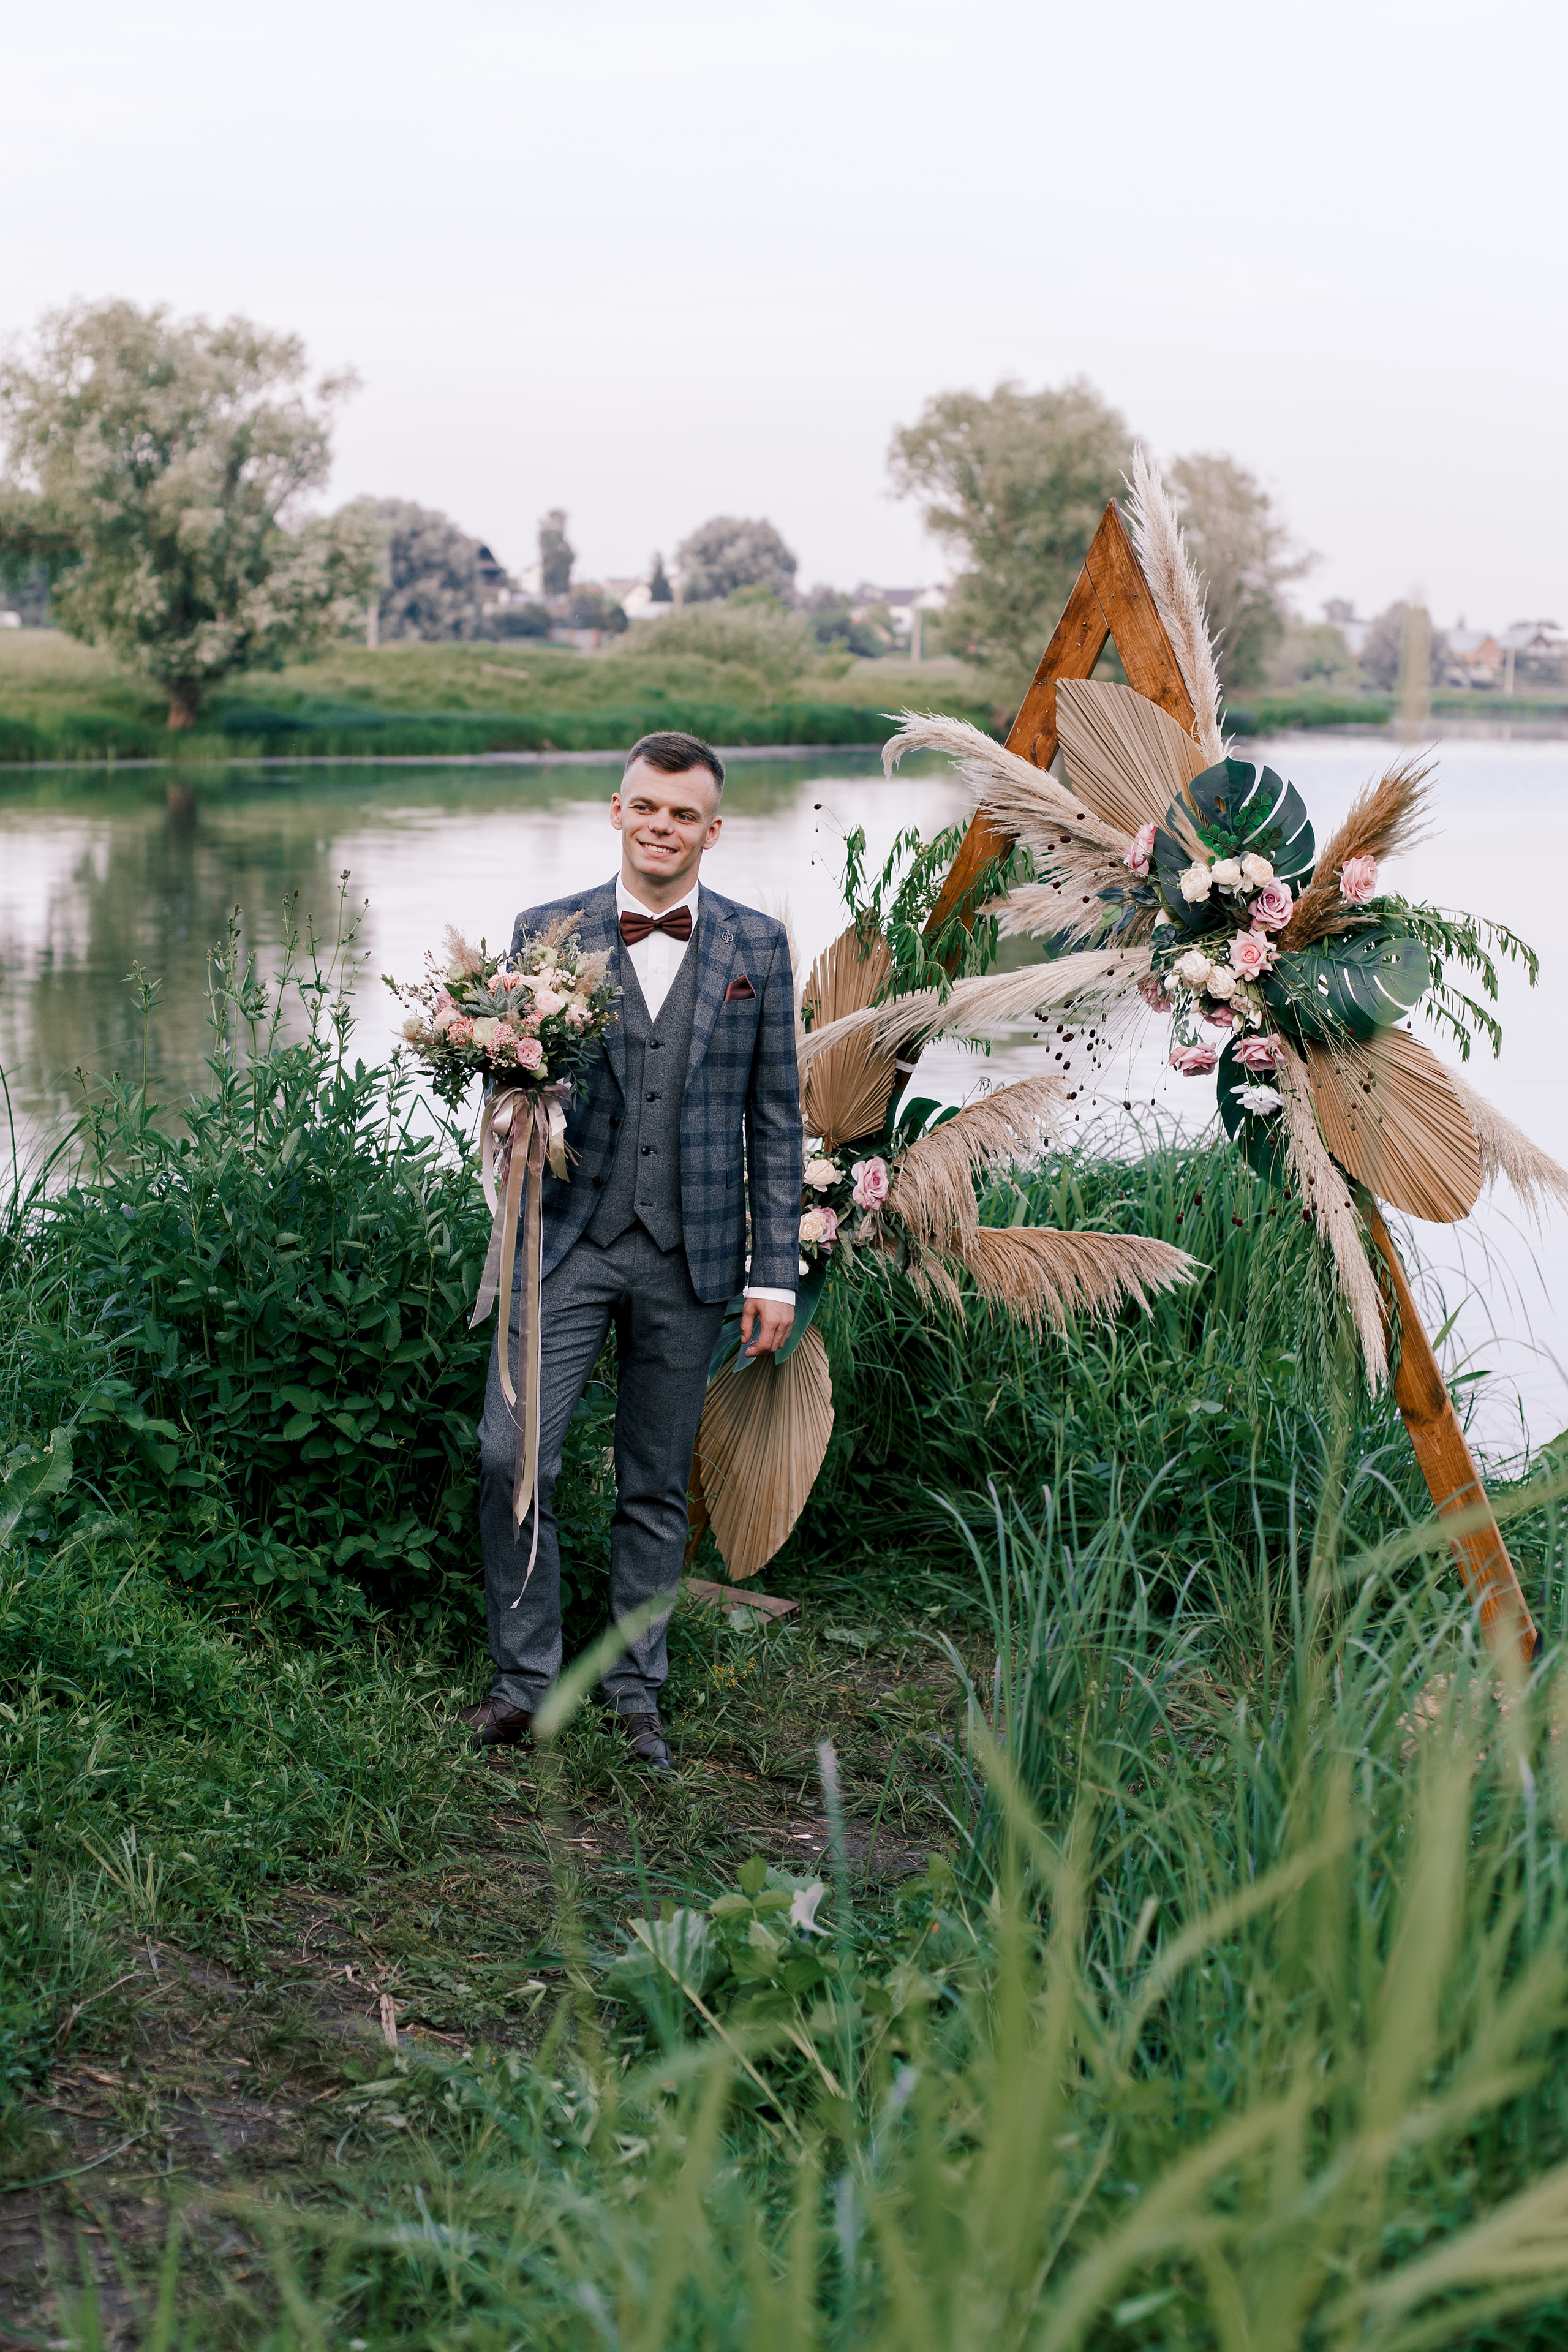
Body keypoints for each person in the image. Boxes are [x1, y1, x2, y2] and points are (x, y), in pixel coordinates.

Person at [462, 732, 802, 1769]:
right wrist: (506, 1085)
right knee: (511, 1456)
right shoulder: (545, 932)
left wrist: (772, 1271)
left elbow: (778, 1120)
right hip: (561, 1241)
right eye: (646, 808)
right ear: (618, 811)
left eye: (684, 815)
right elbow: (503, 1081)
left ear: (711, 828)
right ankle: (525, 1683)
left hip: (693, 1253)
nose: (663, 828)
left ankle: (633, 1690)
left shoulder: (757, 946)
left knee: (655, 1481)